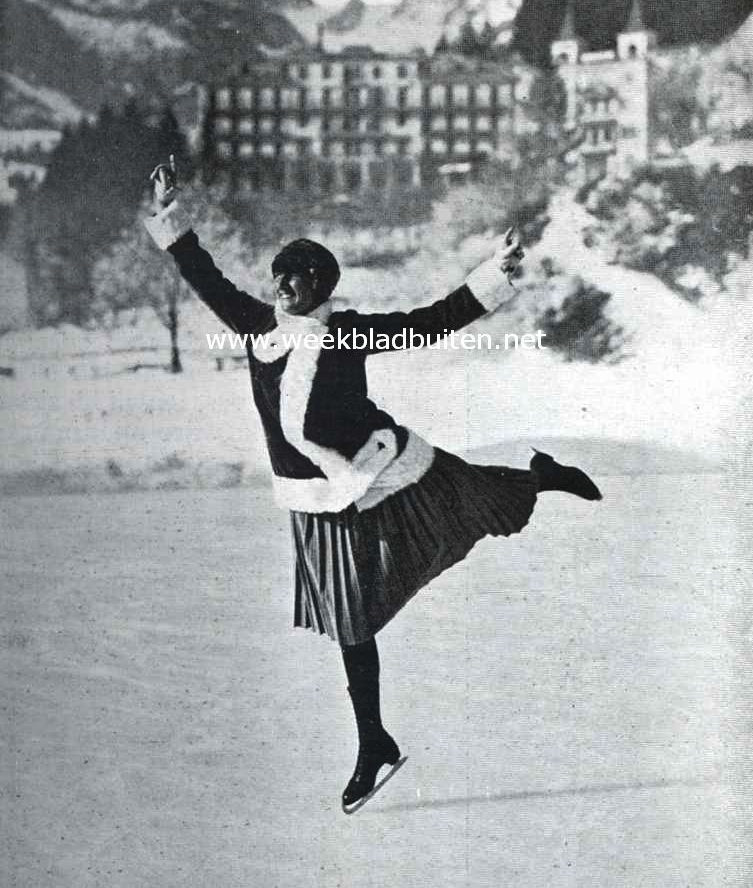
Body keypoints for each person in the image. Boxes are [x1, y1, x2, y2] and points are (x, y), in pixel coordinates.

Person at [145, 163, 601, 813]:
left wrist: (493, 272)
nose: (281, 284)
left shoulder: (345, 332)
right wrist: (169, 212)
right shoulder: (254, 325)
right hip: (315, 500)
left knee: (479, 505)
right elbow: (202, 273)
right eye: (278, 273)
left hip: (383, 470)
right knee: (350, 621)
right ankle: (374, 740)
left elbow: (428, 321)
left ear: (320, 286)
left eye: (296, 276)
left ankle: (538, 477)